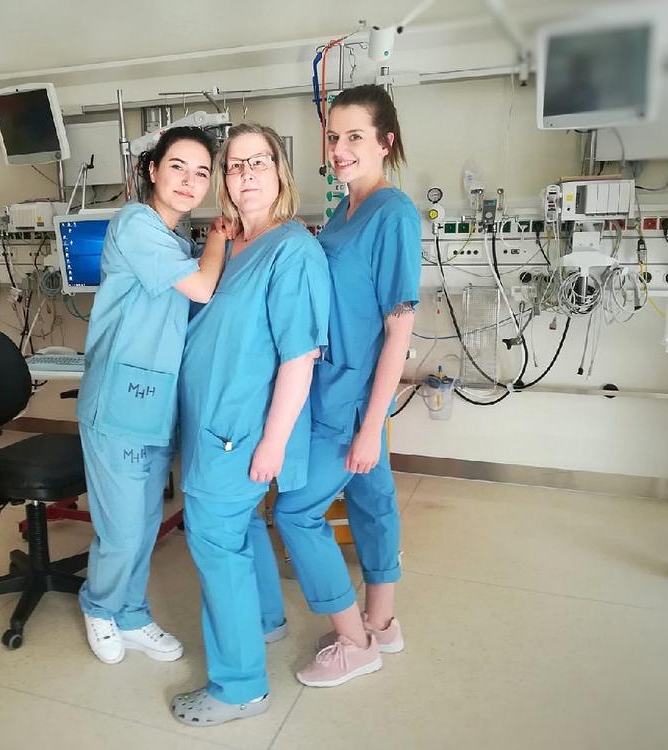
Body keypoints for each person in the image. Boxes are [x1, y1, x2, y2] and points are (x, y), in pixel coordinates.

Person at [170, 123, 330, 727]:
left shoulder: (292, 250)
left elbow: (299, 357)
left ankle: (238, 688)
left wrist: (273, 443)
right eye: (234, 165)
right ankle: (264, 619)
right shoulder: (233, 243)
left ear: (280, 171)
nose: (245, 175)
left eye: (257, 162)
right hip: (215, 423)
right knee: (240, 531)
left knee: (216, 543)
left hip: (241, 432)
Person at [275, 84, 421, 688]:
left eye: (354, 136)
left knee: (295, 513)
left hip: (350, 398)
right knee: (372, 500)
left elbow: (398, 330)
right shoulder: (344, 209)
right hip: (334, 385)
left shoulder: (393, 214)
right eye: (333, 137)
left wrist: (369, 426)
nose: (338, 148)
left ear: (386, 141)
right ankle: (381, 623)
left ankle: (354, 643)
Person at [76, 126, 227, 665]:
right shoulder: (135, 223)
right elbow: (203, 286)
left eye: (202, 172)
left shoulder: (176, 243)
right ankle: (99, 606)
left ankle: (132, 613)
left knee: (143, 525)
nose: (190, 180)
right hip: (117, 404)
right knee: (120, 531)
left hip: (155, 405)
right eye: (178, 166)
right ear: (152, 170)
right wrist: (220, 234)